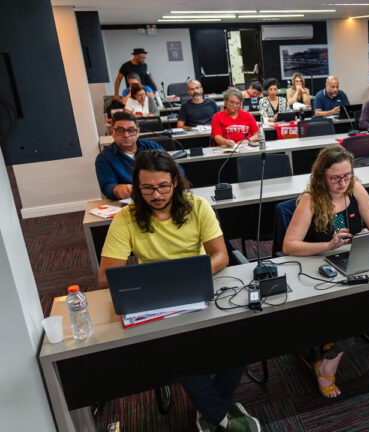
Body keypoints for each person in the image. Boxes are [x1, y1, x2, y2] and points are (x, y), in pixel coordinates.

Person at [97, 150, 260, 431]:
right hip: (156, 297)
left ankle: (210, 409)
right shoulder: (127, 218)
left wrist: (188, 276)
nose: (156, 194)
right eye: (147, 188)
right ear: (137, 187)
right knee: (179, 353)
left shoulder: (197, 206)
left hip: (201, 287)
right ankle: (220, 414)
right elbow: (105, 277)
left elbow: (220, 256)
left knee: (244, 340)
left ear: (175, 182)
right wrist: (162, 280)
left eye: (163, 186)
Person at [282, 145, 369, 398]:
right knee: (354, 311)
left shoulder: (355, 189)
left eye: (347, 175)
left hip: (354, 261)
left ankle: (335, 342)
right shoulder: (311, 199)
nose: (343, 183)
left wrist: (367, 235)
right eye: (335, 178)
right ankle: (326, 367)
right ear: (321, 177)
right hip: (320, 268)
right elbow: (289, 246)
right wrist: (329, 245)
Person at [95, 112, 169, 200]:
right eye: (120, 131)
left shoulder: (152, 147)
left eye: (131, 130)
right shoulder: (104, 158)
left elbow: (176, 169)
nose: (126, 135)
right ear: (112, 132)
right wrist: (117, 190)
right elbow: (107, 187)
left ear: (138, 132)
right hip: (131, 201)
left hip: (160, 194)